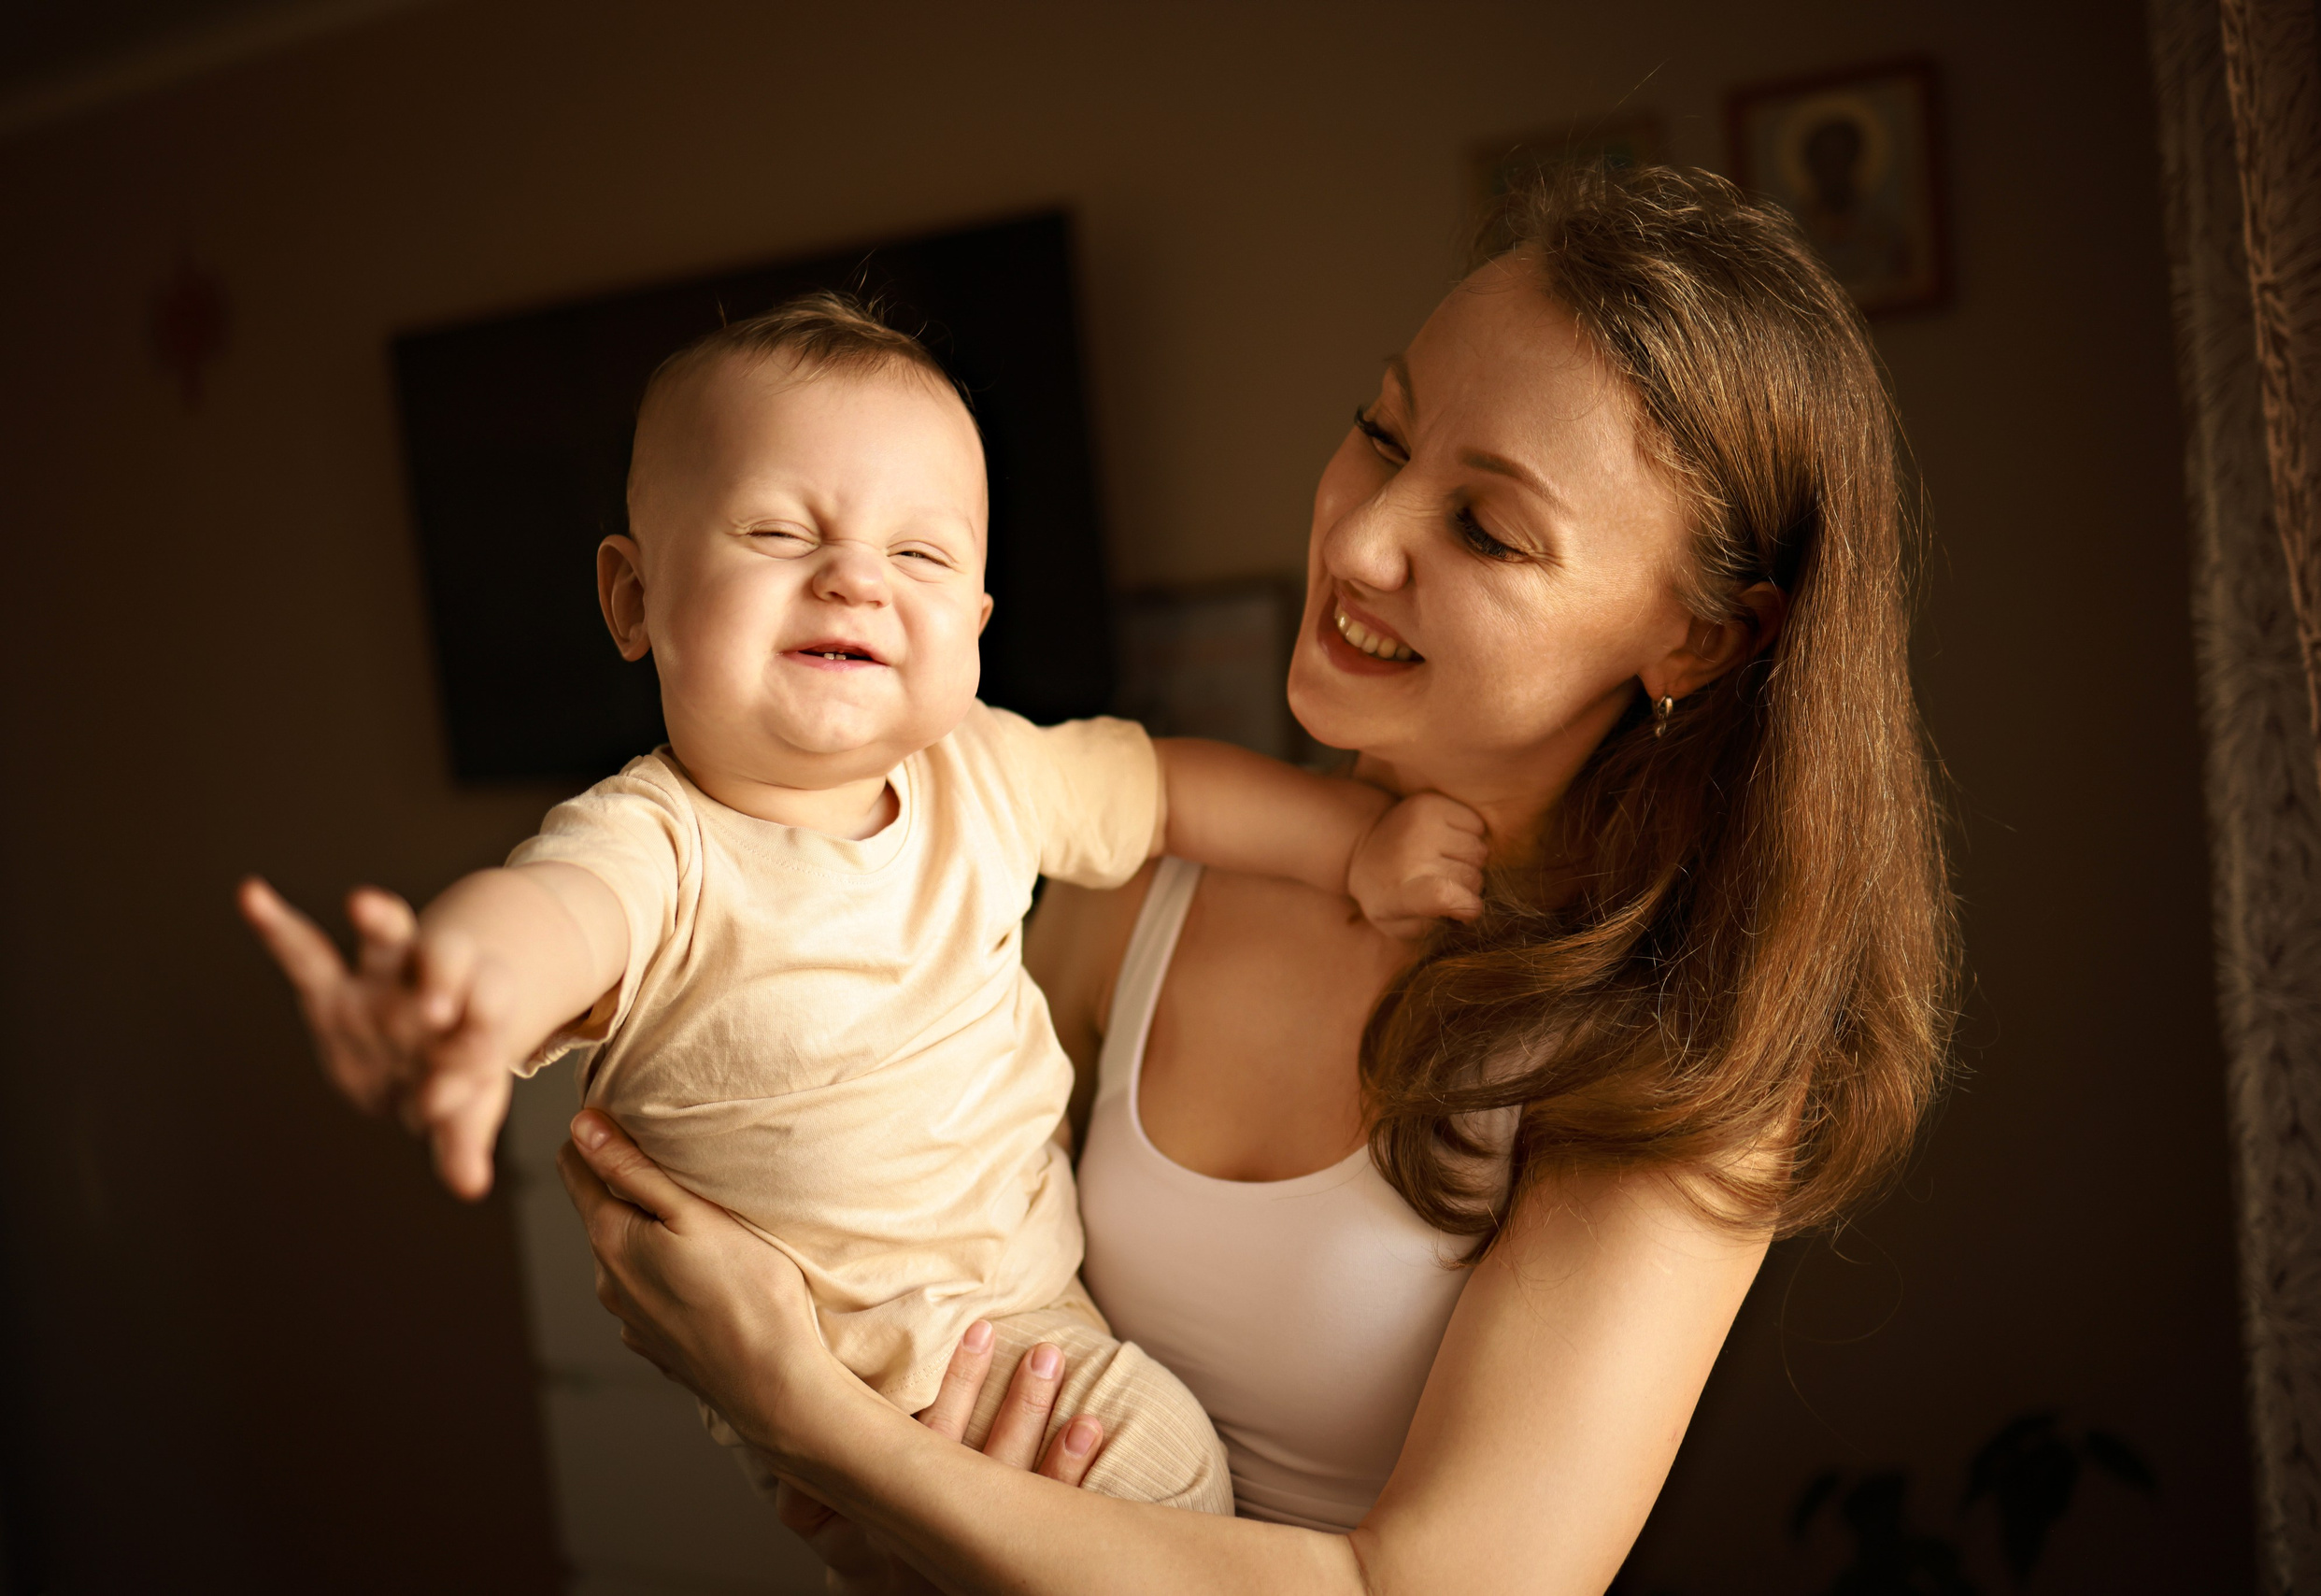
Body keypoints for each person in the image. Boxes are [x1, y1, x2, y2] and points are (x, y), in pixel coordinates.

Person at [561, 163, 1957, 1592]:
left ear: (1700, 643)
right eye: (1379, 429)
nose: (1355, 539)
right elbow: (921, 1274)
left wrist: (820, 1423)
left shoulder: (1675, 1058)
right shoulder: (1145, 880)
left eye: (1486, 527)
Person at [236, 292, 1489, 1516]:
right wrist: (457, 994)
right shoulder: (659, 846)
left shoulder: (983, 771)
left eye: (920, 553)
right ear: (632, 598)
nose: (854, 580)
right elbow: (552, 918)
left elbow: (1165, 793)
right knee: (1166, 1476)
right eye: (779, 534)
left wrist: (1357, 849)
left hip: (1027, 1324)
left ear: (977, 627)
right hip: (856, 1365)